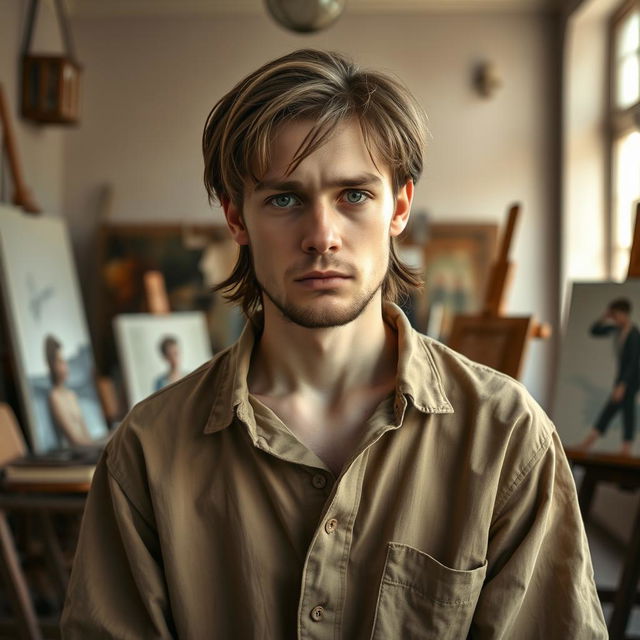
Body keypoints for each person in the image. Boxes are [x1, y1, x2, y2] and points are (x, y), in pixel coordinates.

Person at [62, 49, 606, 638]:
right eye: (284, 199)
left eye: (353, 196)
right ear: (236, 219)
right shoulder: (147, 451)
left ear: (398, 207)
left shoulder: (506, 436)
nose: (322, 237)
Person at [578, 297, 640, 456]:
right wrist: (604, 317)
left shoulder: (634, 334)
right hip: (623, 378)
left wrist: (622, 385)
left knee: (618, 407)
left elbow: (634, 362)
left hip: (632, 377)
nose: (614, 318)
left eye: (616, 314)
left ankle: (591, 441)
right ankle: (624, 447)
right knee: (623, 408)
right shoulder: (617, 330)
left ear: (624, 314)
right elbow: (595, 331)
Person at [44, 335, 93, 447]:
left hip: (88, 449)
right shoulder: (54, 397)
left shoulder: (71, 395)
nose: (65, 367)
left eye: (65, 361)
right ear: (51, 364)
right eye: (60, 362)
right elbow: (73, 439)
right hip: (76, 454)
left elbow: (85, 431)